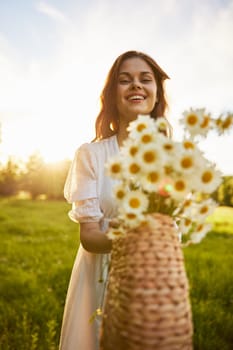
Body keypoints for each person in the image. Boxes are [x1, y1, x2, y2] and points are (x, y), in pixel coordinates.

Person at [59, 50, 170, 350]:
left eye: (145, 79)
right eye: (125, 80)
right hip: (100, 277)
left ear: (157, 94)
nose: (136, 85)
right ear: (112, 95)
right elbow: (90, 236)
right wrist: (133, 235)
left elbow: (175, 228)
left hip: (153, 277)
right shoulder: (90, 155)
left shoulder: (171, 159)